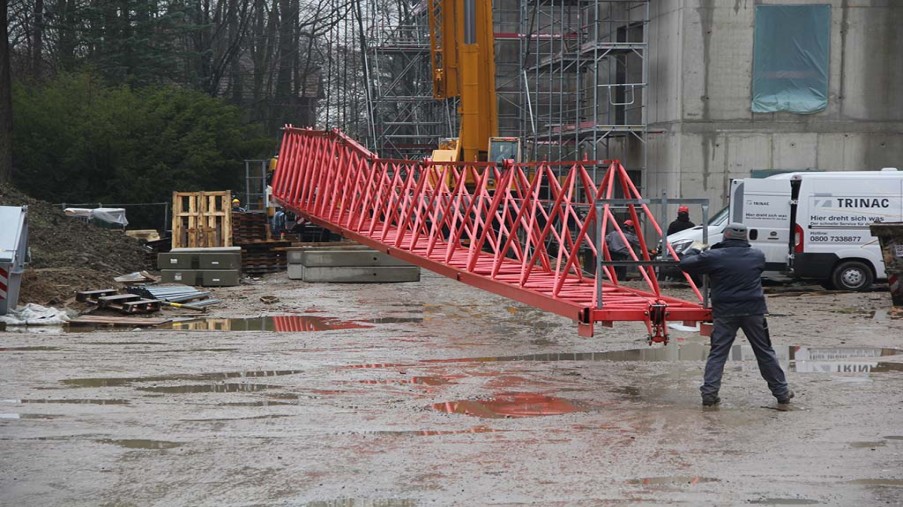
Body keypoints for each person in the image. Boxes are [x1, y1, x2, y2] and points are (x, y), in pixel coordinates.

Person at [678, 223, 793, 408]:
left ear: (725, 236)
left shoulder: (714, 256)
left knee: (718, 353)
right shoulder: (757, 255)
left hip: (725, 311)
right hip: (753, 310)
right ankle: (782, 393)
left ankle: (709, 394)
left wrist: (696, 248)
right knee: (764, 352)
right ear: (745, 237)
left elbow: (685, 265)